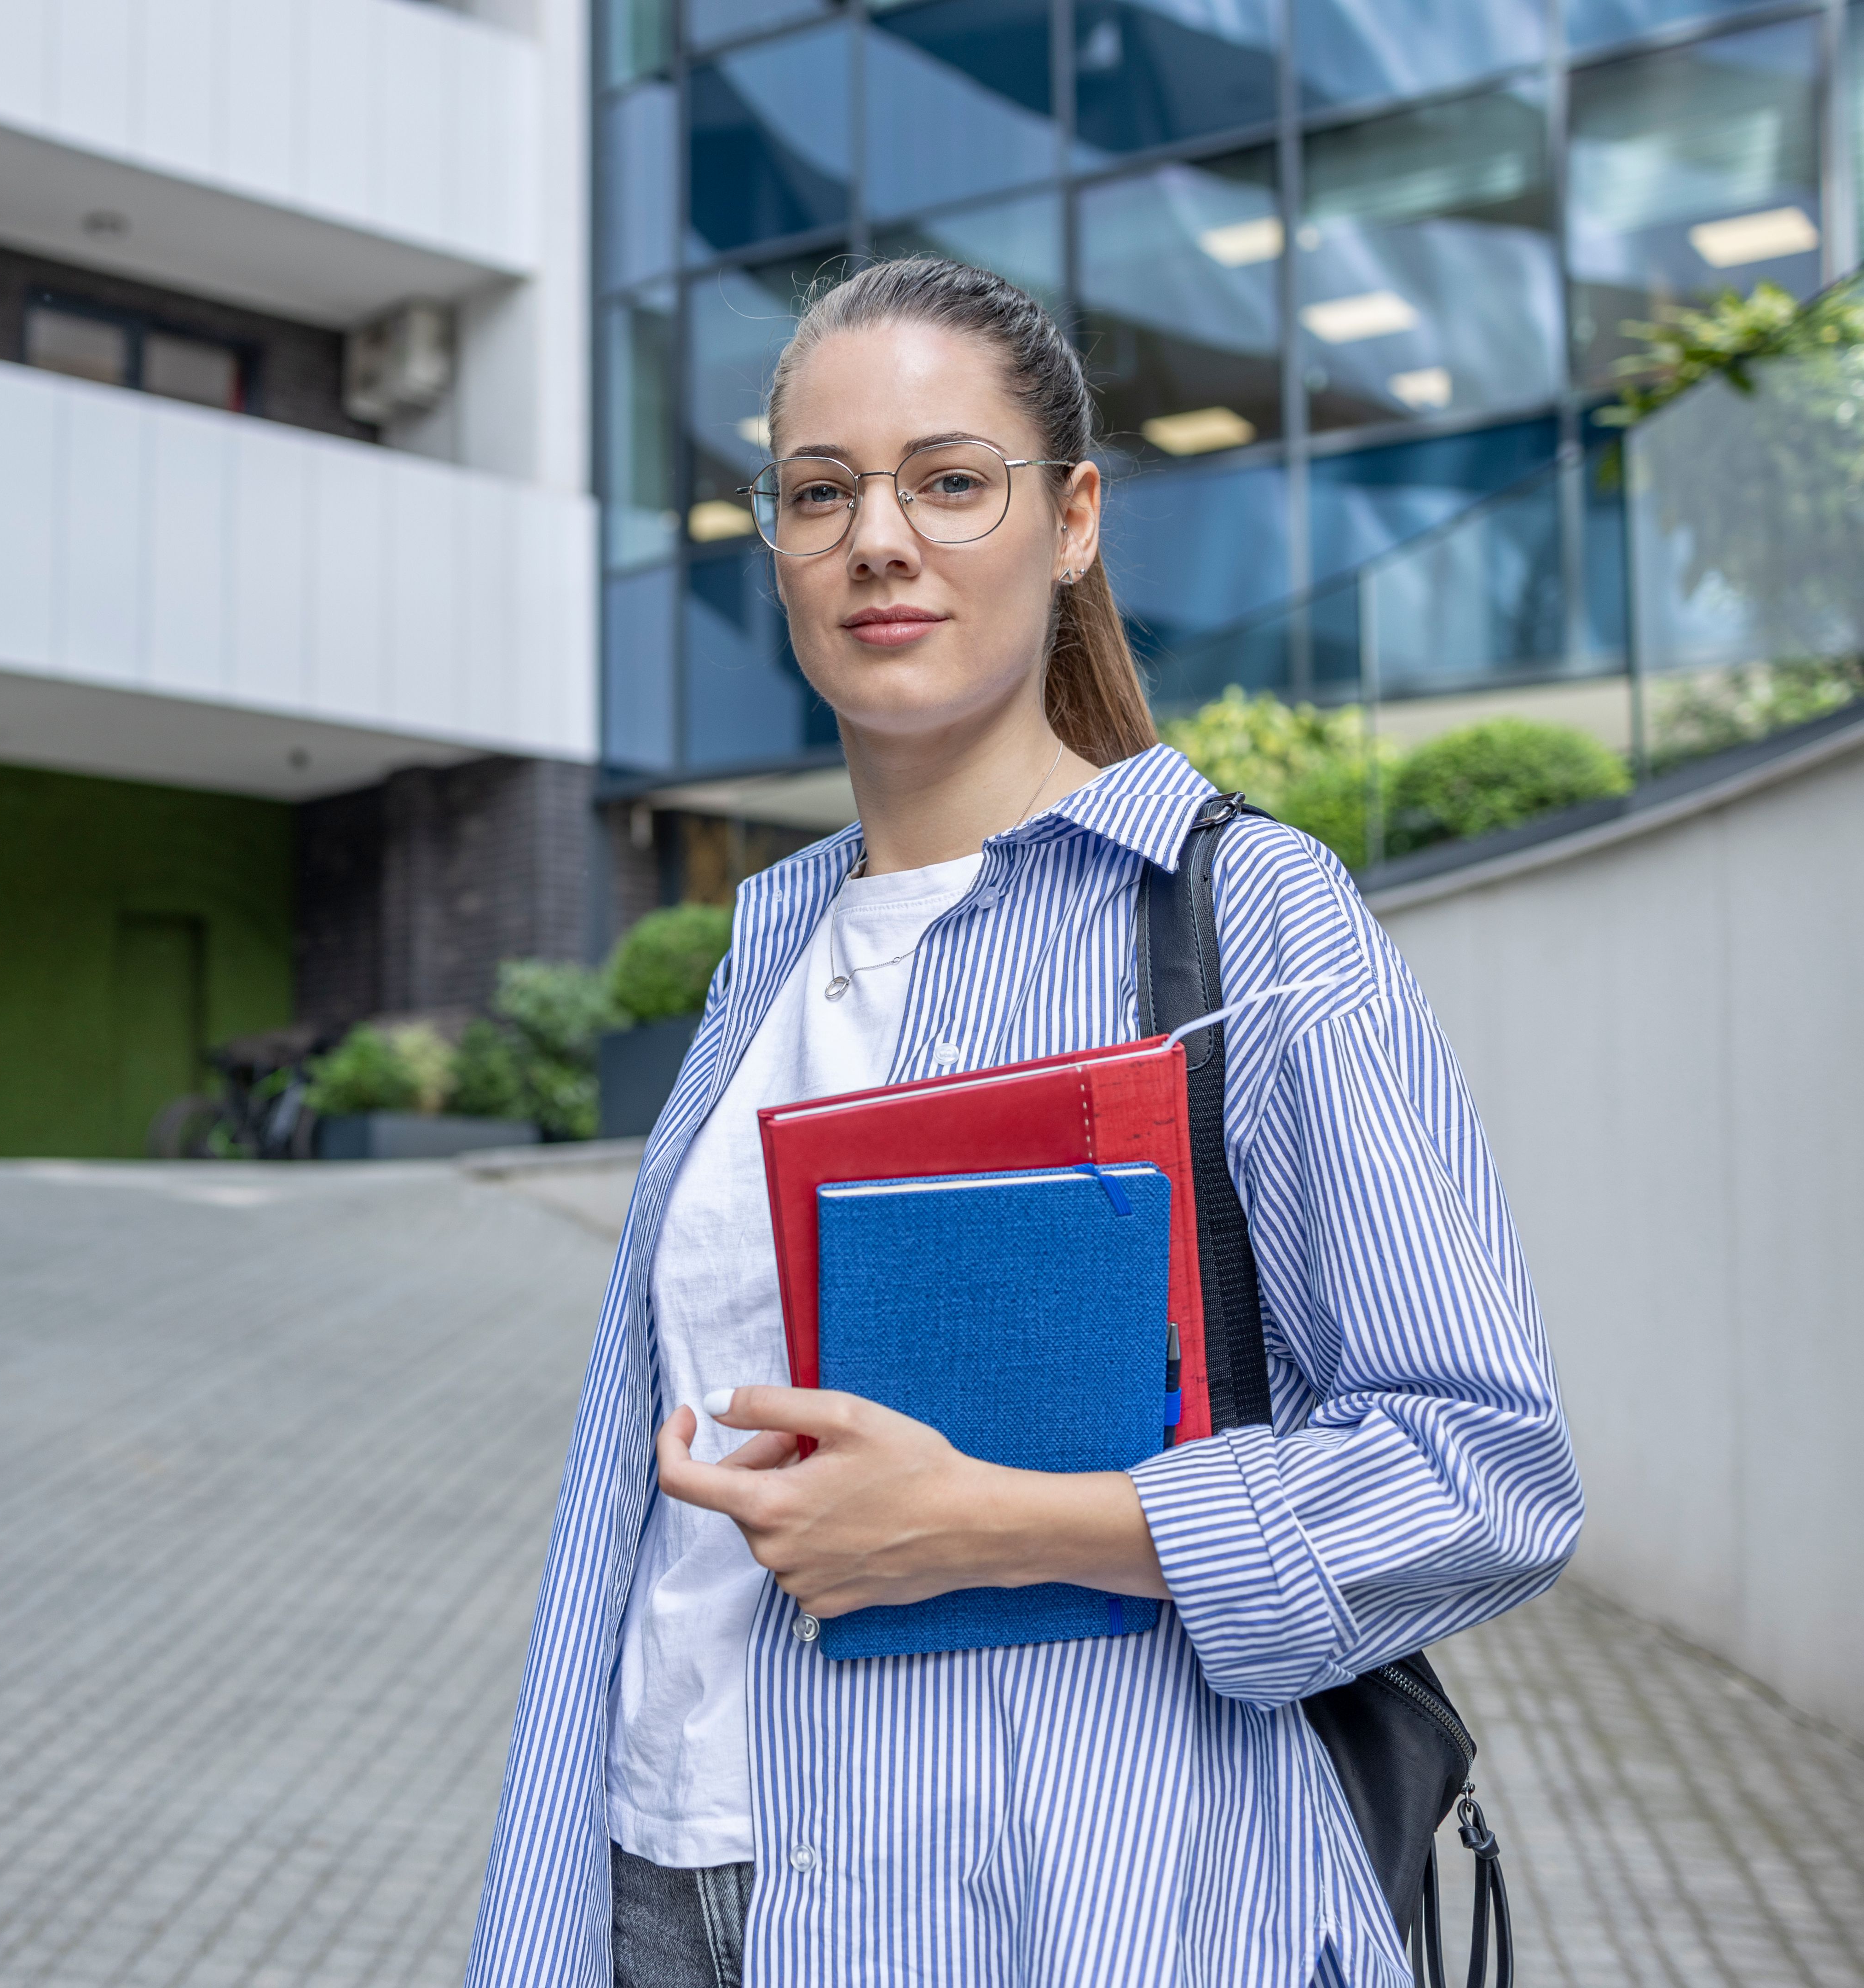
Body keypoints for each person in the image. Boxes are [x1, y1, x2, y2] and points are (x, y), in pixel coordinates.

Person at [462, 258, 1581, 1988]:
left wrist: (998, 1524)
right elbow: (623, 1502)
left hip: (1059, 1914)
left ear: (1070, 522)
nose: (878, 540)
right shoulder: (762, 956)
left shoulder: (1247, 921)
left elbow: (1480, 1473)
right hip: (664, 1873)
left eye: (949, 479)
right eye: (819, 492)